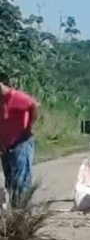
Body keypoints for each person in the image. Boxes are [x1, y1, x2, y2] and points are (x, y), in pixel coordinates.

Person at [0, 72, 39, 206]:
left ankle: (23, 213)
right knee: (10, 182)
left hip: (21, 143)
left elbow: (33, 105)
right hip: (5, 146)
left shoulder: (17, 97)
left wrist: (28, 126)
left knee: (21, 182)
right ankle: (15, 212)